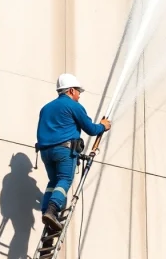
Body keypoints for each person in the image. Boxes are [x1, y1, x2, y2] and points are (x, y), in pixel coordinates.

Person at [36, 73, 111, 231]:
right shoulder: (73, 106)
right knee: (64, 180)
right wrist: (103, 126)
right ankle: (52, 210)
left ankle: (46, 210)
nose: (79, 96)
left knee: (53, 182)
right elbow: (90, 129)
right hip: (64, 150)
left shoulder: (45, 108)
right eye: (78, 92)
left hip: (45, 152)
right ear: (70, 91)